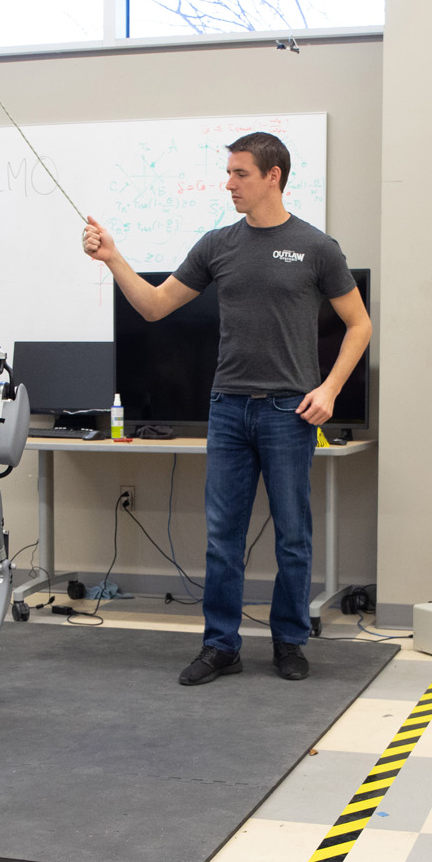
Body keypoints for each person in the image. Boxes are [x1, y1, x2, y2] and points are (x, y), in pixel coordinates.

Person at [83, 132, 372, 685]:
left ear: (273, 176)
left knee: (293, 535)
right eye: (229, 173)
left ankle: (289, 642)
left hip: (289, 412)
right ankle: (221, 646)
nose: (229, 183)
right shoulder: (218, 245)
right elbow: (154, 305)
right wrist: (114, 259)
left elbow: (359, 325)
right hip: (228, 409)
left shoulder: (317, 247)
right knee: (223, 537)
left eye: (240, 173)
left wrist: (331, 389)